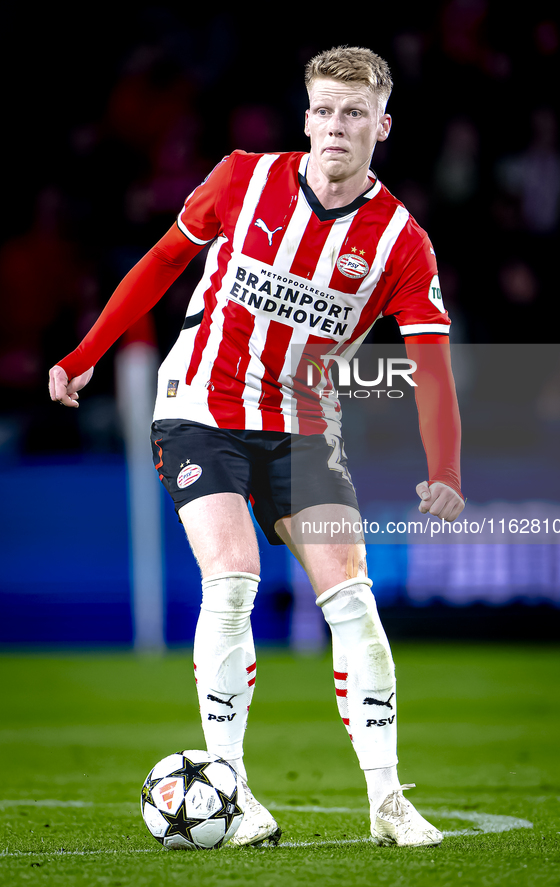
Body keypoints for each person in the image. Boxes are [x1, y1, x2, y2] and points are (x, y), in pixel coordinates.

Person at [49, 46, 465, 847]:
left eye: (352, 113)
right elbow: (164, 259)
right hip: (198, 404)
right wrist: (86, 352)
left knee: (350, 594)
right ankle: (228, 788)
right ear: (305, 116)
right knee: (232, 571)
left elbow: (431, 371)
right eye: (322, 110)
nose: (334, 126)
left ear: (381, 126)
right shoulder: (243, 178)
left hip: (303, 426)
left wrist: (444, 470)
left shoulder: (401, 242)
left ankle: (387, 800)